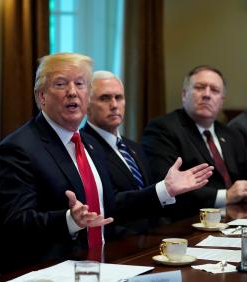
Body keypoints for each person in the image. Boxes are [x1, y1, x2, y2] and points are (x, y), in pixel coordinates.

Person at [0, 53, 212, 272]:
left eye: (80, 84)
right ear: (41, 97)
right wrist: (70, 220)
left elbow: (111, 207)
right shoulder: (18, 148)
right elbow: (15, 224)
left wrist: (165, 190)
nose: (72, 92)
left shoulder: (88, 143)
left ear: (87, 96)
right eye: (60, 84)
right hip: (48, 270)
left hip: (101, 264)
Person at [83, 71, 213, 234]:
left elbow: (152, 206)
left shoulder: (133, 147)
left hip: (152, 239)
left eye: (119, 97)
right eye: (105, 98)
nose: (114, 105)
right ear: (86, 105)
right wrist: (164, 189)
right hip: (118, 243)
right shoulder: (83, 146)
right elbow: (110, 203)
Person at [142, 65, 247, 218]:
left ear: (221, 101)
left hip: (237, 220)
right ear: (184, 94)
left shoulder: (231, 134)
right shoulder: (163, 129)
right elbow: (168, 186)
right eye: (200, 87)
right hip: (189, 223)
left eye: (214, 90)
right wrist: (226, 196)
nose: (207, 95)